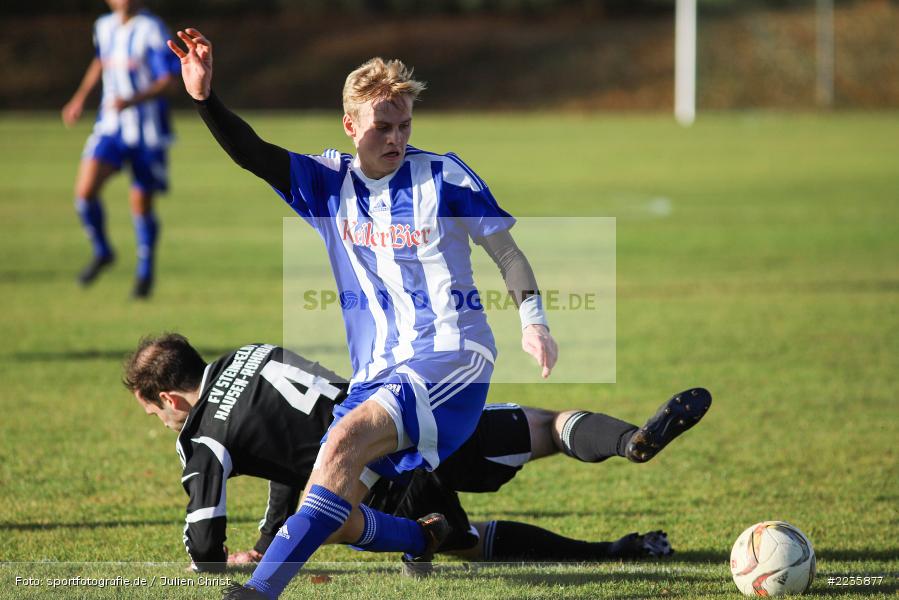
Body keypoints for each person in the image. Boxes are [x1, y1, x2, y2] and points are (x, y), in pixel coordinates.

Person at [167, 28, 560, 599]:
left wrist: (534, 321)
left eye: (405, 125)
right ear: (350, 126)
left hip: (452, 357)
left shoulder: (444, 175)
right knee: (329, 508)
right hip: (378, 373)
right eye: (382, 127)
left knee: (344, 441)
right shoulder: (327, 183)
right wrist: (205, 99)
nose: (396, 138)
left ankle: (257, 592)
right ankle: (422, 536)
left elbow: (507, 252)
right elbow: (255, 154)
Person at [122, 334, 711, 585]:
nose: (162, 421)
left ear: (170, 398)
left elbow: (205, 544)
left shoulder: (202, 433)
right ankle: (629, 440)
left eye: (154, 412)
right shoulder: (250, 353)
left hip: (372, 473)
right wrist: (270, 534)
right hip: (404, 413)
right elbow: (286, 452)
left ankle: (615, 550)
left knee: (458, 540)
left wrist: (223, 561)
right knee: (548, 427)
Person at [62, 0, 180, 298]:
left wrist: (133, 100)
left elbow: (169, 81)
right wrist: (79, 98)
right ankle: (103, 251)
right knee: (84, 192)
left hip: (147, 132)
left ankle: (144, 274)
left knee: (141, 203)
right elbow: (101, 61)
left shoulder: (152, 29)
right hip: (111, 127)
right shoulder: (103, 27)